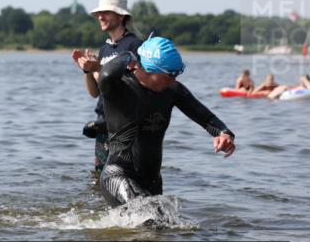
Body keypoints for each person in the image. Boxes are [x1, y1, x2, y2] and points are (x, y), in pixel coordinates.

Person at [74, 37, 235, 206]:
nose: (173, 80)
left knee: (162, 229)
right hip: (117, 176)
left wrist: (224, 133)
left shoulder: (172, 90)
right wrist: (130, 56)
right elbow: (106, 73)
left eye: (177, 74)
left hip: (152, 182)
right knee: (148, 221)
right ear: (148, 69)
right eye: (169, 75)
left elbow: (206, 117)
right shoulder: (119, 87)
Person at [71, 0, 143, 175]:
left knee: (124, 176)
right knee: (100, 178)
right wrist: (87, 70)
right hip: (104, 124)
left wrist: (99, 67)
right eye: (99, 13)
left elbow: (134, 83)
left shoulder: (135, 45)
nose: (101, 17)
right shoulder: (105, 49)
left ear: (121, 16)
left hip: (125, 124)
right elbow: (95, 93)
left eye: (106, 13)